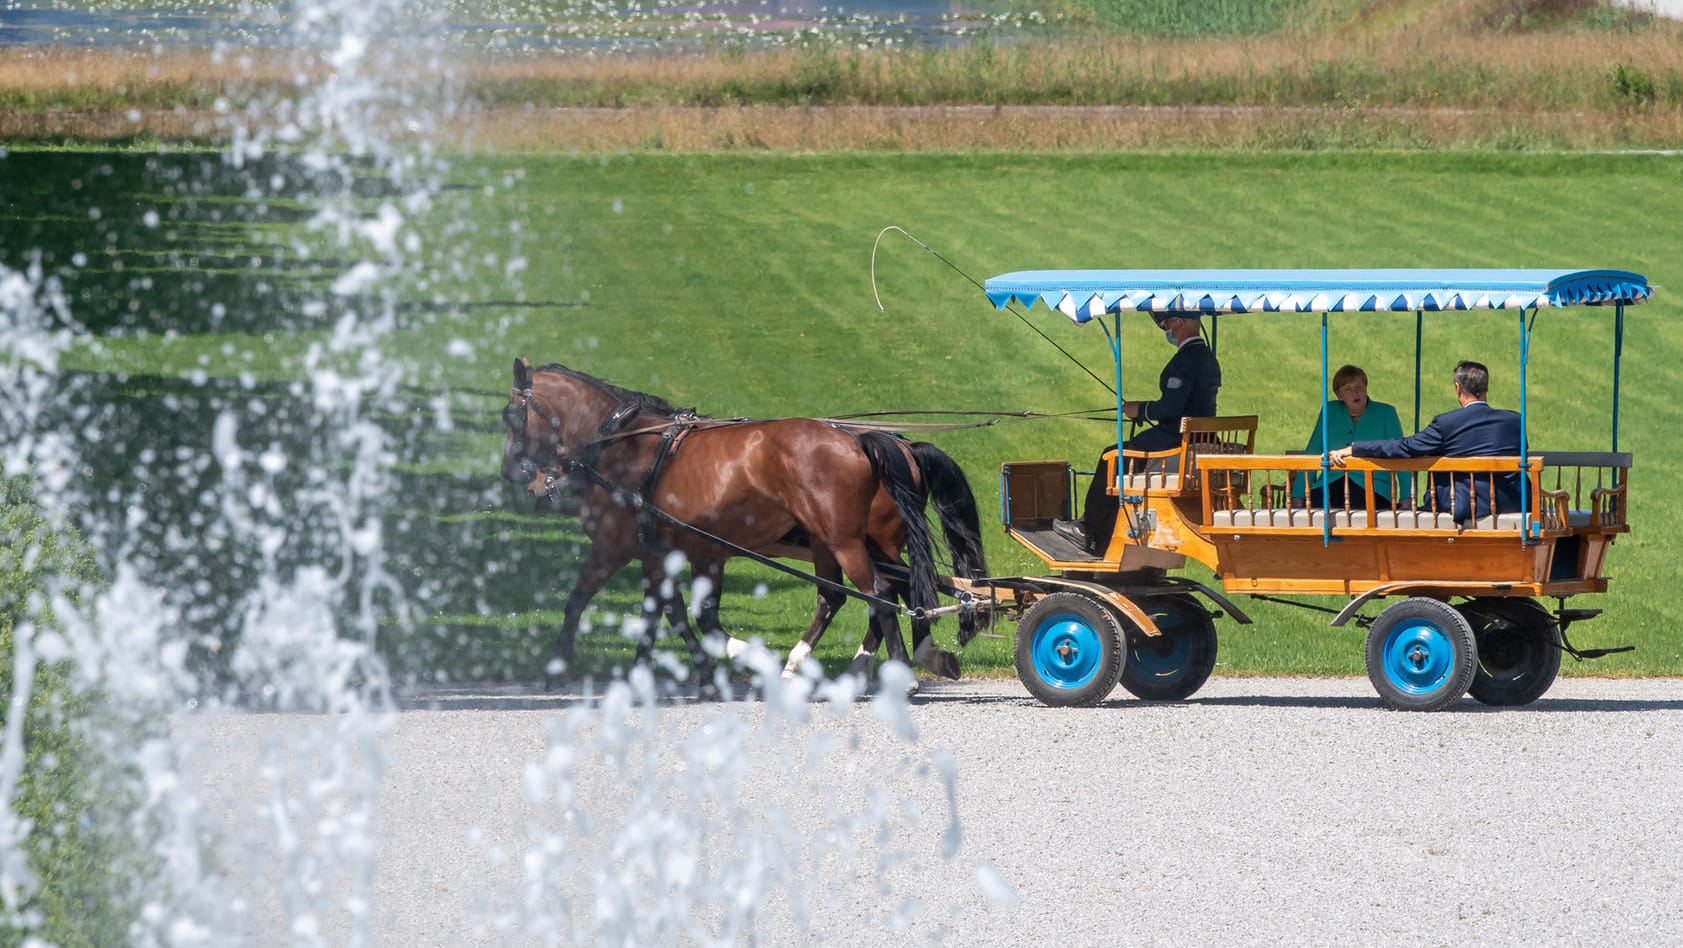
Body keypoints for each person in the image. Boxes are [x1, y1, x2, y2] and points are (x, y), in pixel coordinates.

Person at [1053, 310, 1221, 553]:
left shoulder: (1185, 361)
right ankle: (1104, 529)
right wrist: (1145, 411)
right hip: (1198, 438)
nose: (1168, 331)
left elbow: (1170, 407)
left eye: (1168, 325)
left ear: (1182, 323)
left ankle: (1087, 529)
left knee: (1112, 456)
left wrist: (1139, 410)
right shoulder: (1208, 358)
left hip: (1174, 442)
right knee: (1122, 455)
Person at [1329, 360, 1522, 523]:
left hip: (1465, 505)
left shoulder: (1447, 423)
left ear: (1458, 388)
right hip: (1513, 502)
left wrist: (1355, 448)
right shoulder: (1515, 421)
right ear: (1485, 386)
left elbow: (1406, 447)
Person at [1291, 364, 1410, 511]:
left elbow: (1400, 452)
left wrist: (1407, 497)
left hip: (1372, 487)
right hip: (1330, 483)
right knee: (1316, 506)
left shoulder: (1386, 413)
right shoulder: (1330, 411)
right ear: (1340, 395)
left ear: (1366, 388)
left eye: (1359, 388)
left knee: (1357, 507)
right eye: (1348, 389)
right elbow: (1313, 451)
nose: (1356, 393)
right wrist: (1298, 496)